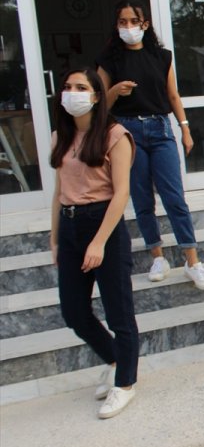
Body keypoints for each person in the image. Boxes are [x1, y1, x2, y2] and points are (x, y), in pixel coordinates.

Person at [96, 0, 204, 291]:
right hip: (127, 132)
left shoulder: (161, 56)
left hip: (160, 128)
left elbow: (172, 95)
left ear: (145, 24)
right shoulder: (109, 60)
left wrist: (185, 128)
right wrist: (114, 91)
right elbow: (98, 103)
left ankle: (192, 260)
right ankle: (157, 256)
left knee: (174, 197)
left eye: (134, 21)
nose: (128, 27)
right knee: (142, 198)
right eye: (122, 22)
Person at [49, 68, 140, 419]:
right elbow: (58, 192)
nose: (72, 92)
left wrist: (99, 242)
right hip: (70, 226)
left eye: (81, 87)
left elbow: (121, 193)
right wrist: (55, 239)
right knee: (74, 312)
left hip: (104, 225)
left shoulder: (115, 135)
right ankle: (116, 360)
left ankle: (125, 383)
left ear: (97, 95)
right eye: (67, 87)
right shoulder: (60, 137)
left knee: (119, 313)